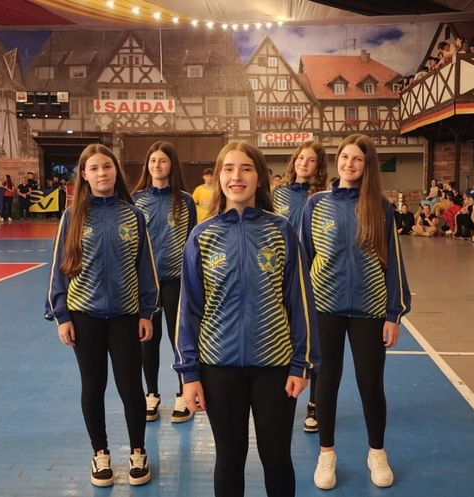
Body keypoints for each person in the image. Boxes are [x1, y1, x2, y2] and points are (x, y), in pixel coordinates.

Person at [174, 141, 319, 497]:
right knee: (229, 459)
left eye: (246, 168)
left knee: (277, 459)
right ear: (218, 177)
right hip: (218, 366)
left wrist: (301, 363)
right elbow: (189, 309)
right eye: (228, 169)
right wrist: (189, 374)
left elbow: (300, 301)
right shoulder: (202, 235)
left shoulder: (281, 231)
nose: (236, 176)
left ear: (259, 178)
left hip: (275, 367)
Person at [45, 143, 157, 487]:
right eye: (93, 168)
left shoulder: (133, 215)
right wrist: (62, 316)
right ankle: (100, 453)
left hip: (125, 316)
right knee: (93, 387)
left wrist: (146, 312)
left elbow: (146, 268)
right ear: (84, 175)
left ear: (115, 171)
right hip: (84, 316)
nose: (101, 173)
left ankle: (138, 452)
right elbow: (59, 268)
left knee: (131, 387)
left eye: (107, 166)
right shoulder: (72, 217)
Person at [304, 134, 409, 490]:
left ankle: (376, 452)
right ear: (337, 161)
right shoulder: (317, 204)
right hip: (324, 306)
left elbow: (393, 262)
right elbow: (303, 258)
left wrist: (393, 314)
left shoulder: (381, 206)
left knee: (370, 383)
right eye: (345, 157)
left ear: (367, 166)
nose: (349, 164)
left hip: (370, 308)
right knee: (326, 381)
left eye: (357, 159)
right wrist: (300, 311)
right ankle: (327, 454)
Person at [130, 142, 197, 425]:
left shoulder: (185, 201)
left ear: (172, 165)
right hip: (145, 284)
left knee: (179, 337)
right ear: (147, 165)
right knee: (148, 339)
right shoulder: (136, 200)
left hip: (176, 281)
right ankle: (152, 394)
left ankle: (183, 393)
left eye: (163, 161)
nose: (157, 165)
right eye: (153, 161)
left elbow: (192, 242)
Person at [272, 140, 329, 432]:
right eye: (301, 158)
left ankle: (315, 404)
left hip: (311, 277)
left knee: (312, 342)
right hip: (279, 276)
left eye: (311, 160)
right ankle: (279, 398)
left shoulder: (322, 197)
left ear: (319, 167)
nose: (304, 164)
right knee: (280, 340)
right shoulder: (278, 192)